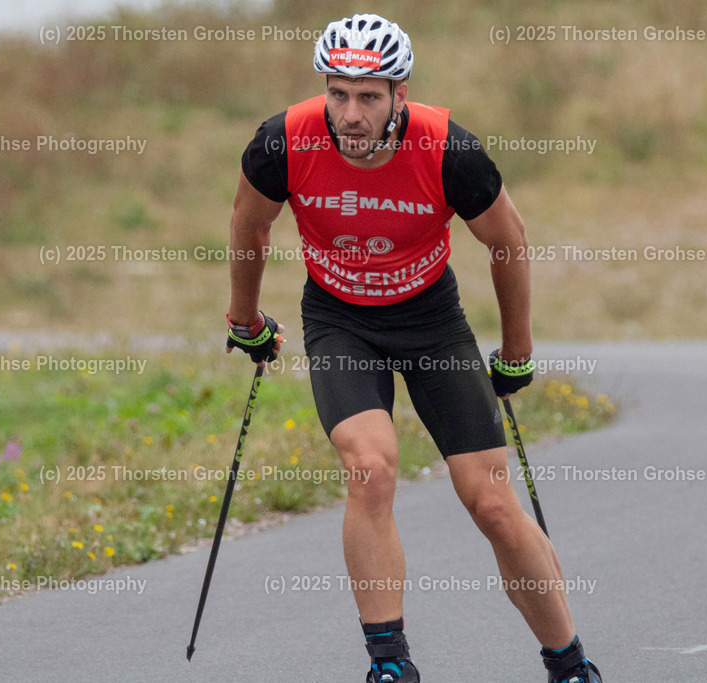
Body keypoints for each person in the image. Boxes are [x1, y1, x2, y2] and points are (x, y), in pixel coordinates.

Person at [225, 13, 602, 683]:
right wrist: (246, 318)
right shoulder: (282, 143)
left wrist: (516, 352)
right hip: (341, 318)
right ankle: (390, 663)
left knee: (489, 501)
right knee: (369, 468)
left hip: (431, 319)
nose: (350, 112)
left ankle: (569, 663)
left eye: (369, 96)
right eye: (338, 93)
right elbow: (250, 225)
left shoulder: (447, 150)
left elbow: (508, 243)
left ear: (401, 93)